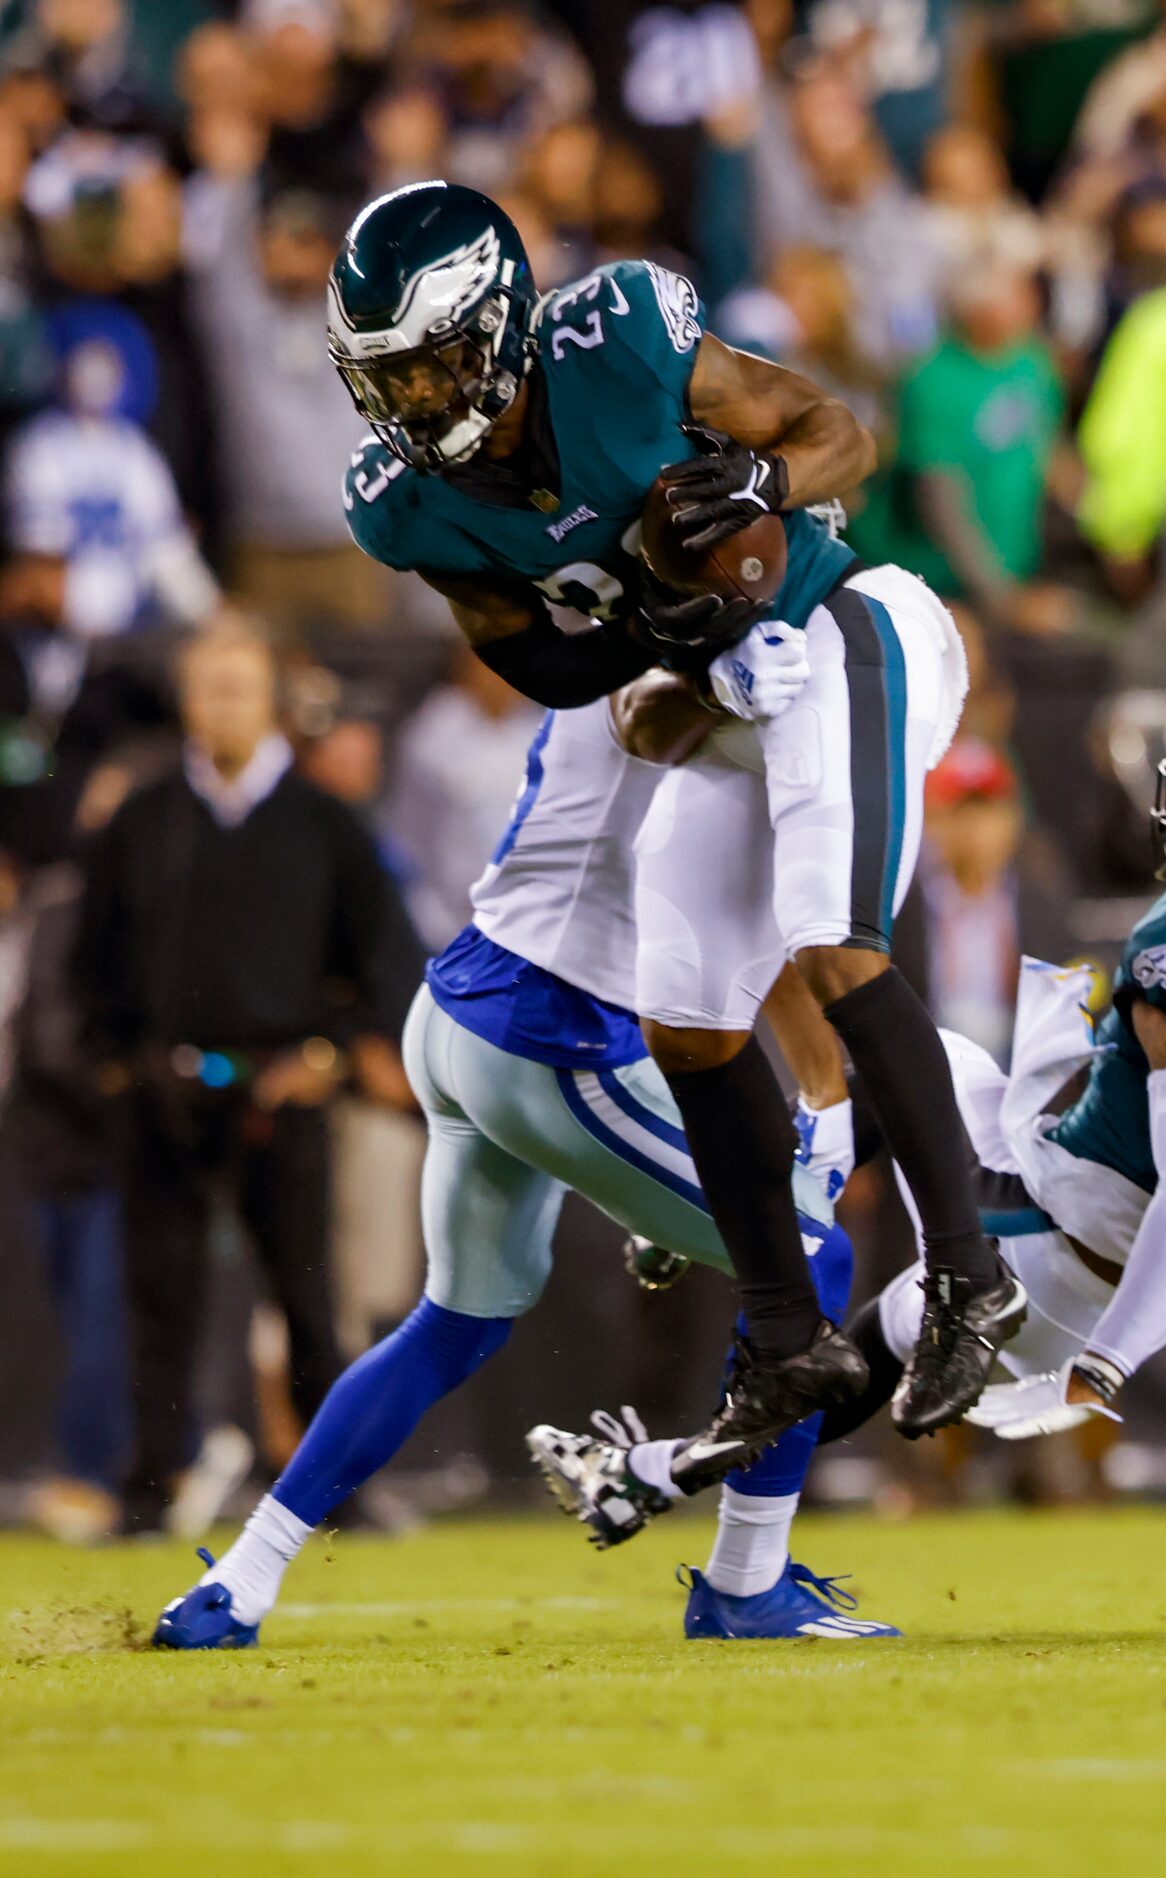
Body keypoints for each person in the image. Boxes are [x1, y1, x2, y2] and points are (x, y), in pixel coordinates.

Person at [328, 180, 1020, 1470]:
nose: (408, 405)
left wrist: (755, 477)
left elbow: (838, 432)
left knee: (829, 940)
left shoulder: (620, 341)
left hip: (845, 628)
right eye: (388, 380)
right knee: (686, 1014)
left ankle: (968, 1274)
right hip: (727, 694)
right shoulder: (407, 503)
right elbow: (532, 660)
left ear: (495, 329)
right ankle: (782, 1336)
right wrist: (659, 642)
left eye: (427, 371)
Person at [152, 683, 899, 1647]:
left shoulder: (609, 657)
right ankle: (745, 1583)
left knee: (453, 1324)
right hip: (555, 1033)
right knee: (811, 1261)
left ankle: (238, 1585)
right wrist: (820, 1102)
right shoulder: (713, 679)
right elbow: (770, 926)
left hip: (461, 1004)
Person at [74, 625, 409, 1532]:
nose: (223, 704)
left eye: (239, 686)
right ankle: (148, 1485)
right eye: (209, 687)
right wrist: (118, 1064)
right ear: (188, 699)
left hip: (282, 1090)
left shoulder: (325, 822)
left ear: (270, 700)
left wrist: (330, 1055)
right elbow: (91, 958)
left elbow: (380, 957)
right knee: (160, 1296)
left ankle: (331, 1486)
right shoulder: (140, 822)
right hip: (164, 1094)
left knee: (306, 1296)